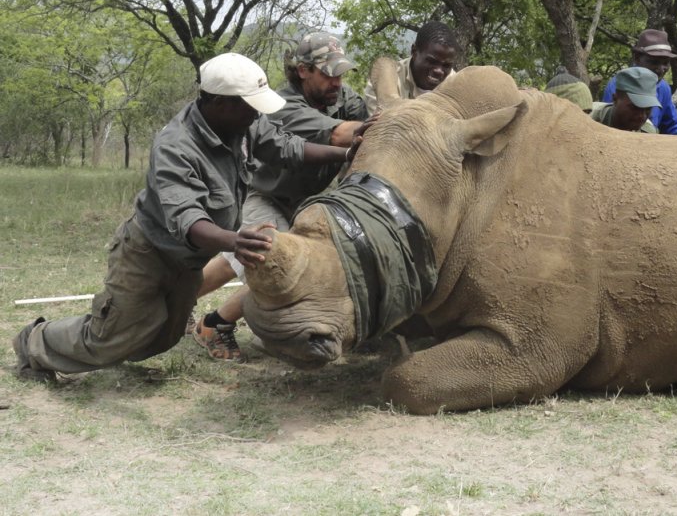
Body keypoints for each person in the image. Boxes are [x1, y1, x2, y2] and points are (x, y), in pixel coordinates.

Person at [11, 53, 355, 382]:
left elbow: (288, 148)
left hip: (188, 263)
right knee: (106, 341)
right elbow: (188, 220)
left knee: (162, 337)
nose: (257, 115)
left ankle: (119, 338)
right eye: (251, 106)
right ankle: (33, 342)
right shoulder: (176, 146)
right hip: (147, 255)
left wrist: (347, 152)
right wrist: (234, 241)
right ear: (221, 102)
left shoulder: (243, 122)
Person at [191, 32, 371, 361]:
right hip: (264, 196)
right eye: (328, 73)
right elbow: (341, 134)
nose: (337, 82)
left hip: (303, 204)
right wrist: (395, 128)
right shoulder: (283, 106)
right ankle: (213, 324)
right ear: (303, 71)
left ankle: (174, 301)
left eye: (341, 73)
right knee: (273, 263)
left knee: (236, 261)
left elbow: (365, 119)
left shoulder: (345, 99)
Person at [600, 29, 677, 135]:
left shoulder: (663, 88)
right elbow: (608, 123)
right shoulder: (619, 85)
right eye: (654, 62)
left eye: (665, 63)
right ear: (637, 58)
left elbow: (671, 125)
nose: (661, 69)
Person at [364, 20, 459, 112]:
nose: (439, 71)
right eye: (432, 61)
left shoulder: (456, 86)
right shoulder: (385, 81)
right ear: (414, 51)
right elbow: (378, 125)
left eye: (446, 65)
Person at [590, 67, 660, 132]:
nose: (642, 116)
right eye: (635, 108)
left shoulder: (648, 132)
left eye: (648, 109)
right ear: (615, 99)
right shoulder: (588, 118)